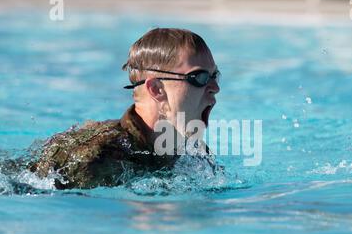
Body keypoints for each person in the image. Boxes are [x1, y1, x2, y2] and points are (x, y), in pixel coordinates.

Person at [29, 28, 221, 189]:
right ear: (156, 89)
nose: (215, 88)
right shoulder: (96, 158)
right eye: (199, 77)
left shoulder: (195, 154)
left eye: (215, 76)